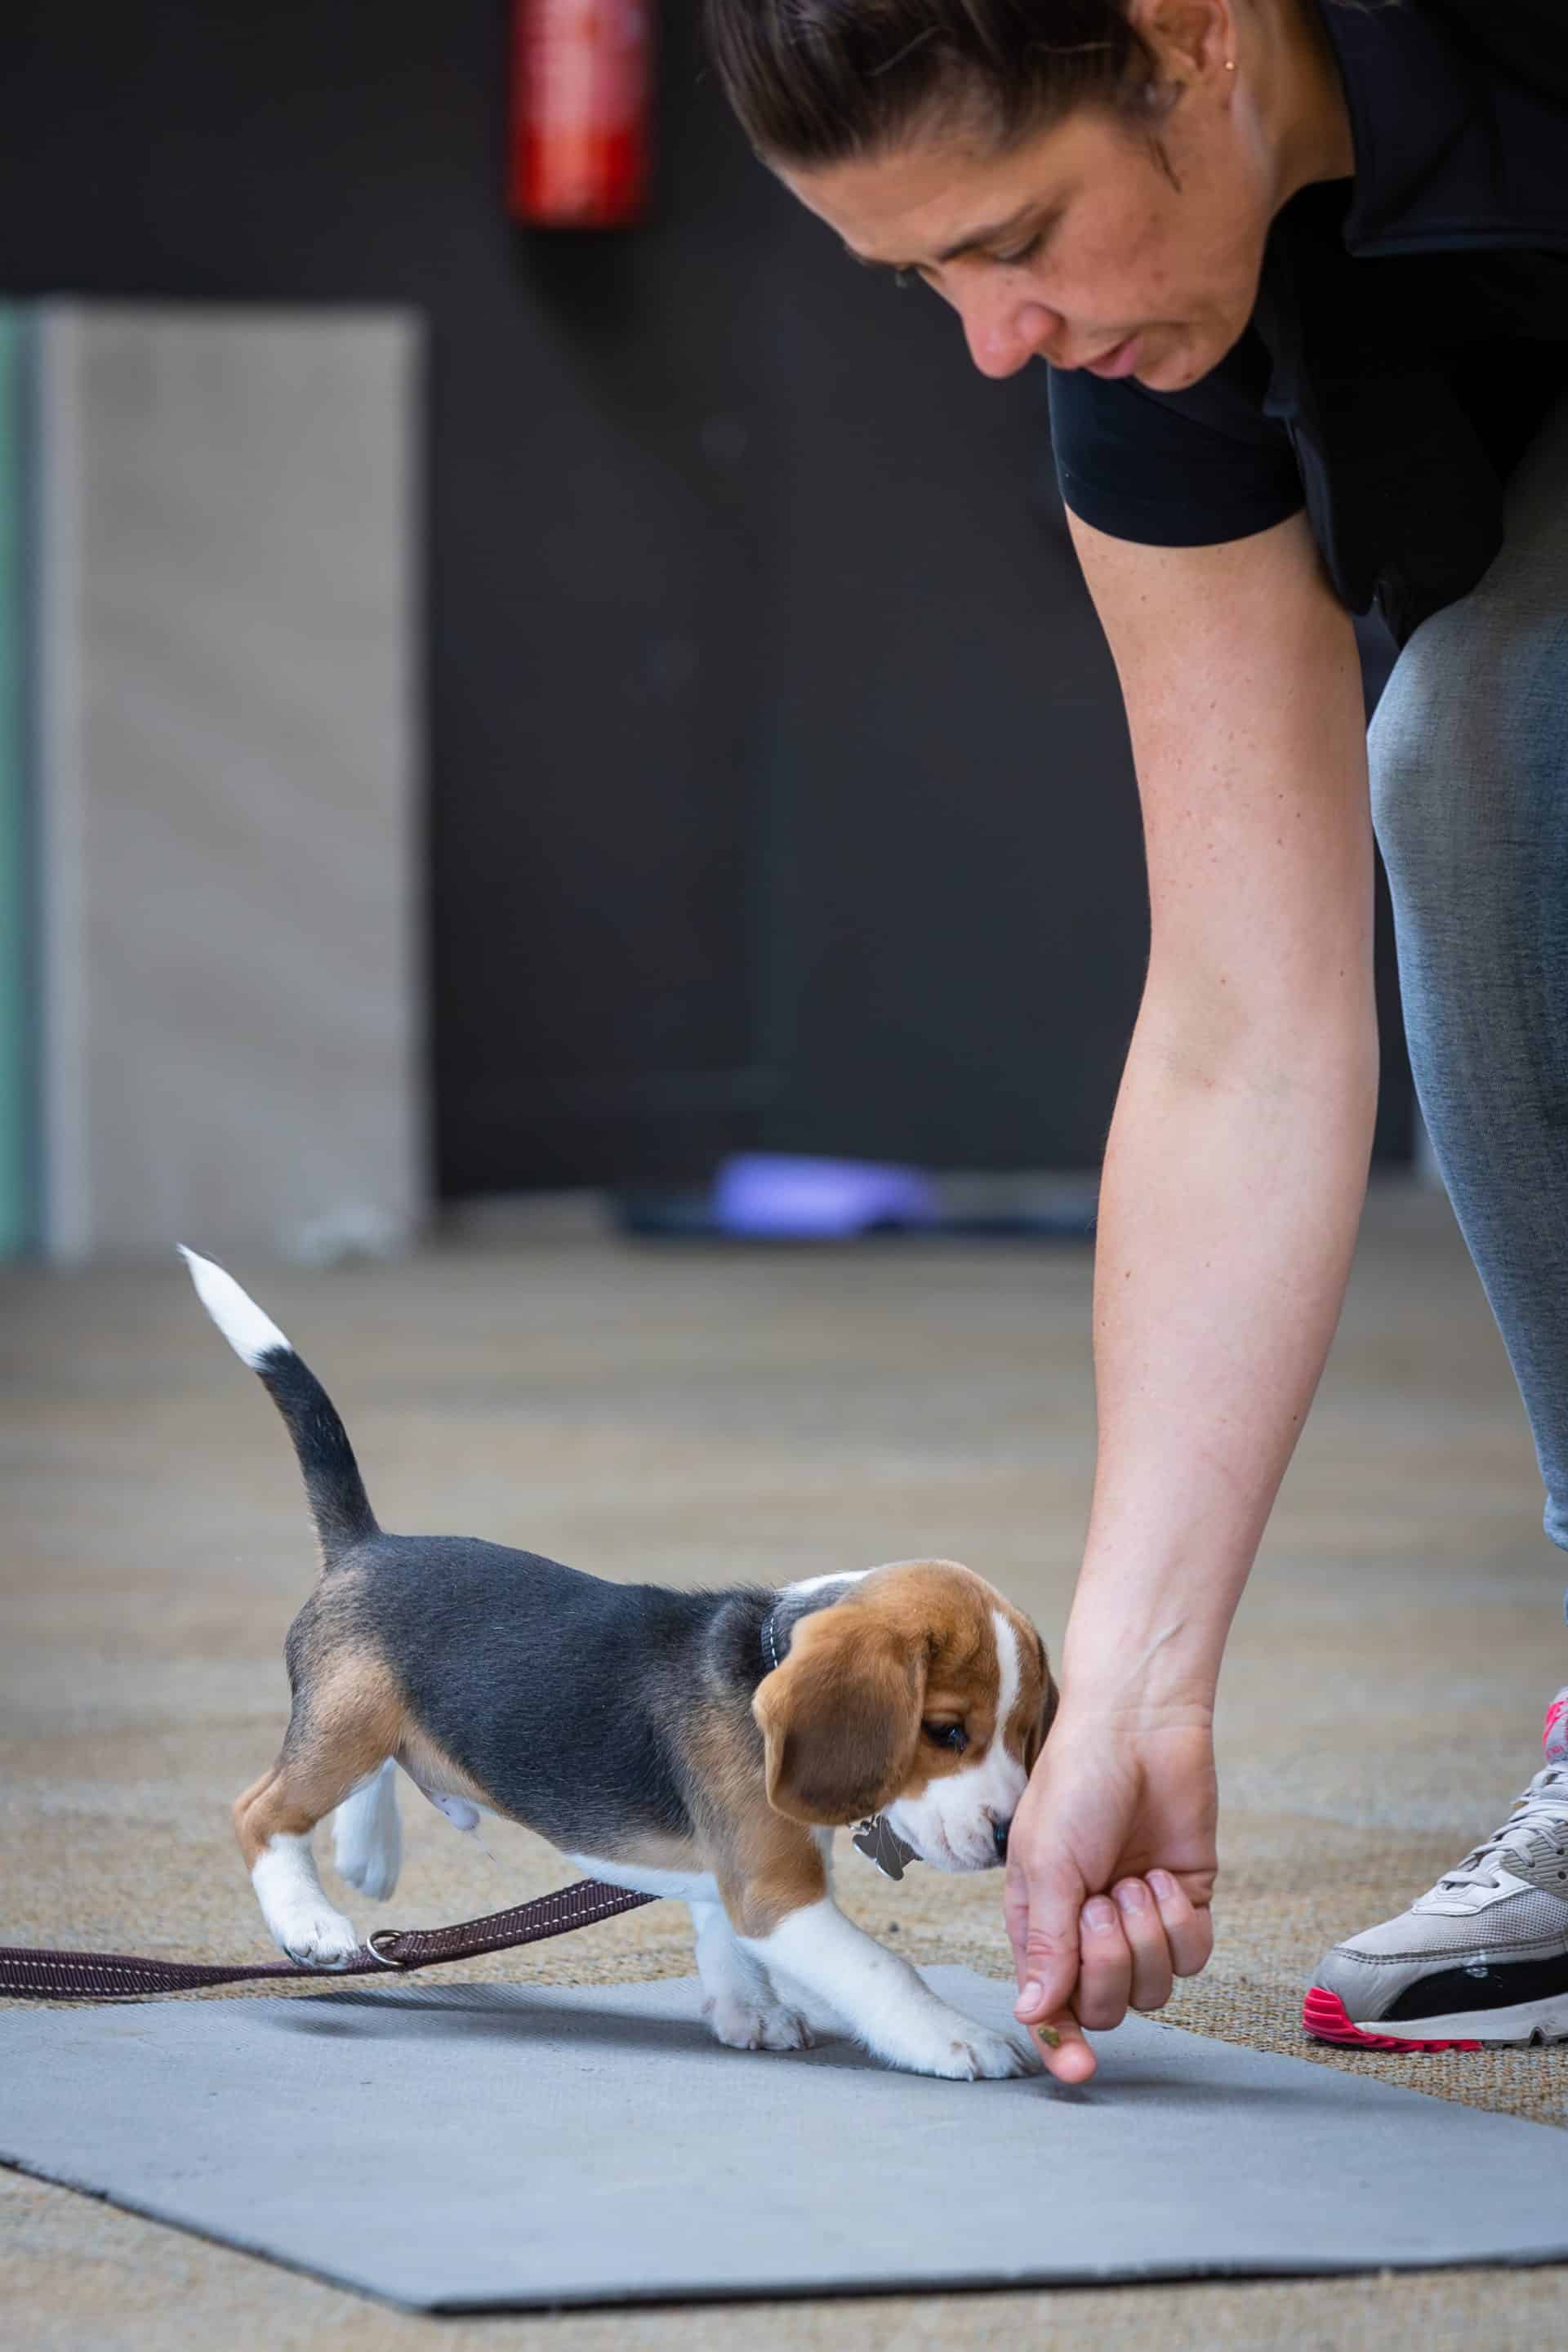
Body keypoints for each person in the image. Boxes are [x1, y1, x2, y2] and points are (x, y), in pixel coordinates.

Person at [702, 0, 1568, 2082]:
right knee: (1475, 765)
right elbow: (1238, 1029)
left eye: (1013, 236)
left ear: (1190, 31)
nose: (992, 341)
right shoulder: (1145, 349)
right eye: (925, 278)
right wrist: (1140, 1693)